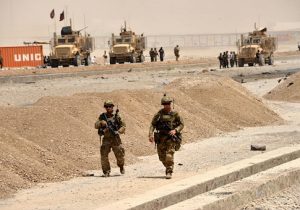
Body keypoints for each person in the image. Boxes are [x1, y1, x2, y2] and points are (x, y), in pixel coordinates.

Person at [149, 94, 184, 179]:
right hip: (161, 138)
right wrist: (150, 134)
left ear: (170, 104)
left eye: (168, 104)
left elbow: (181, 124)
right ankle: (168, 166)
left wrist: (175, 130)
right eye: (165, 104)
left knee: (169, 155)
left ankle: (169, 171)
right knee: (161, 157)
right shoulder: (159, 114)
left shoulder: (175, 114)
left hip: (170, 138)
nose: (166, 106)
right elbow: (153, 124)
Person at [95, 100, 126, 177]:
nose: (108, 108)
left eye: (110, 106)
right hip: (106, 139)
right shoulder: (102, 116)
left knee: (120, 155)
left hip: (116, 138)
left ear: (112, 107)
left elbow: (123, 126)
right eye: (106, 107)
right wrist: (101, 123)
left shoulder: (117, 116)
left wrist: (118, 131)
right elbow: (95, 125)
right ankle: (106, 171)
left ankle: (121, 166)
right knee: (103, 155)